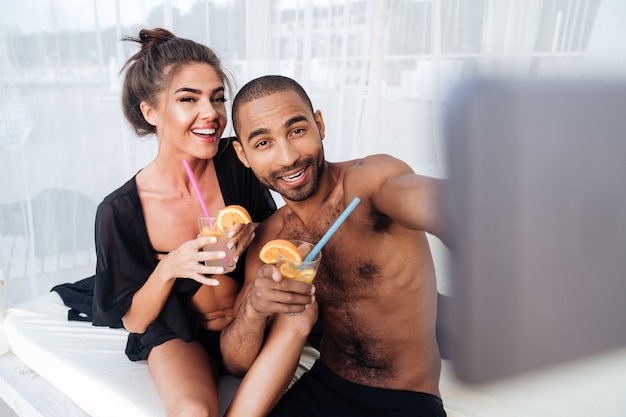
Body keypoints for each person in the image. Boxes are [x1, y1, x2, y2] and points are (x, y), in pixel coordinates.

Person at [221, 75, 448, 416]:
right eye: (263, 143)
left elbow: (424, 198)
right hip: (325, 386)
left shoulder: (368, 181)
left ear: (319, 125)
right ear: (243, 154)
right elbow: (237, 363)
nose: (287, 158)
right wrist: (255, 307)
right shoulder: (270, 239)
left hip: (406, 400)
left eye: (297, 131)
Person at [89, 28, 276, 417]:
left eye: (217, 97)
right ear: (150, 111)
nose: (211, 113)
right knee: (194, 412)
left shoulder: (235, 161)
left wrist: (254, 232)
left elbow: (277, 225)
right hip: (178, 331)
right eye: (188, 99)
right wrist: (171, 267)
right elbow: (136, 320)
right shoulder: (121, 210)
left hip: (248, 318)